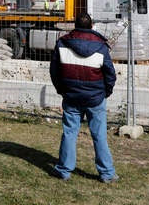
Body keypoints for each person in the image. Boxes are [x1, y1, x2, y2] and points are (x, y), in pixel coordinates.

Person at [49, 12, 118, 183]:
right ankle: (107, 173)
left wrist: (61, 90)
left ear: (75, 25)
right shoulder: (101, 47)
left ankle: (64, 170)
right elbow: (110, 74)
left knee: (70, 133)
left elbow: (54, 71)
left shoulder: (63, 43)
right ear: (92, 25)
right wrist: (106, 92)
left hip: (71, 96)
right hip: (95, 98)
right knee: (99, 134)